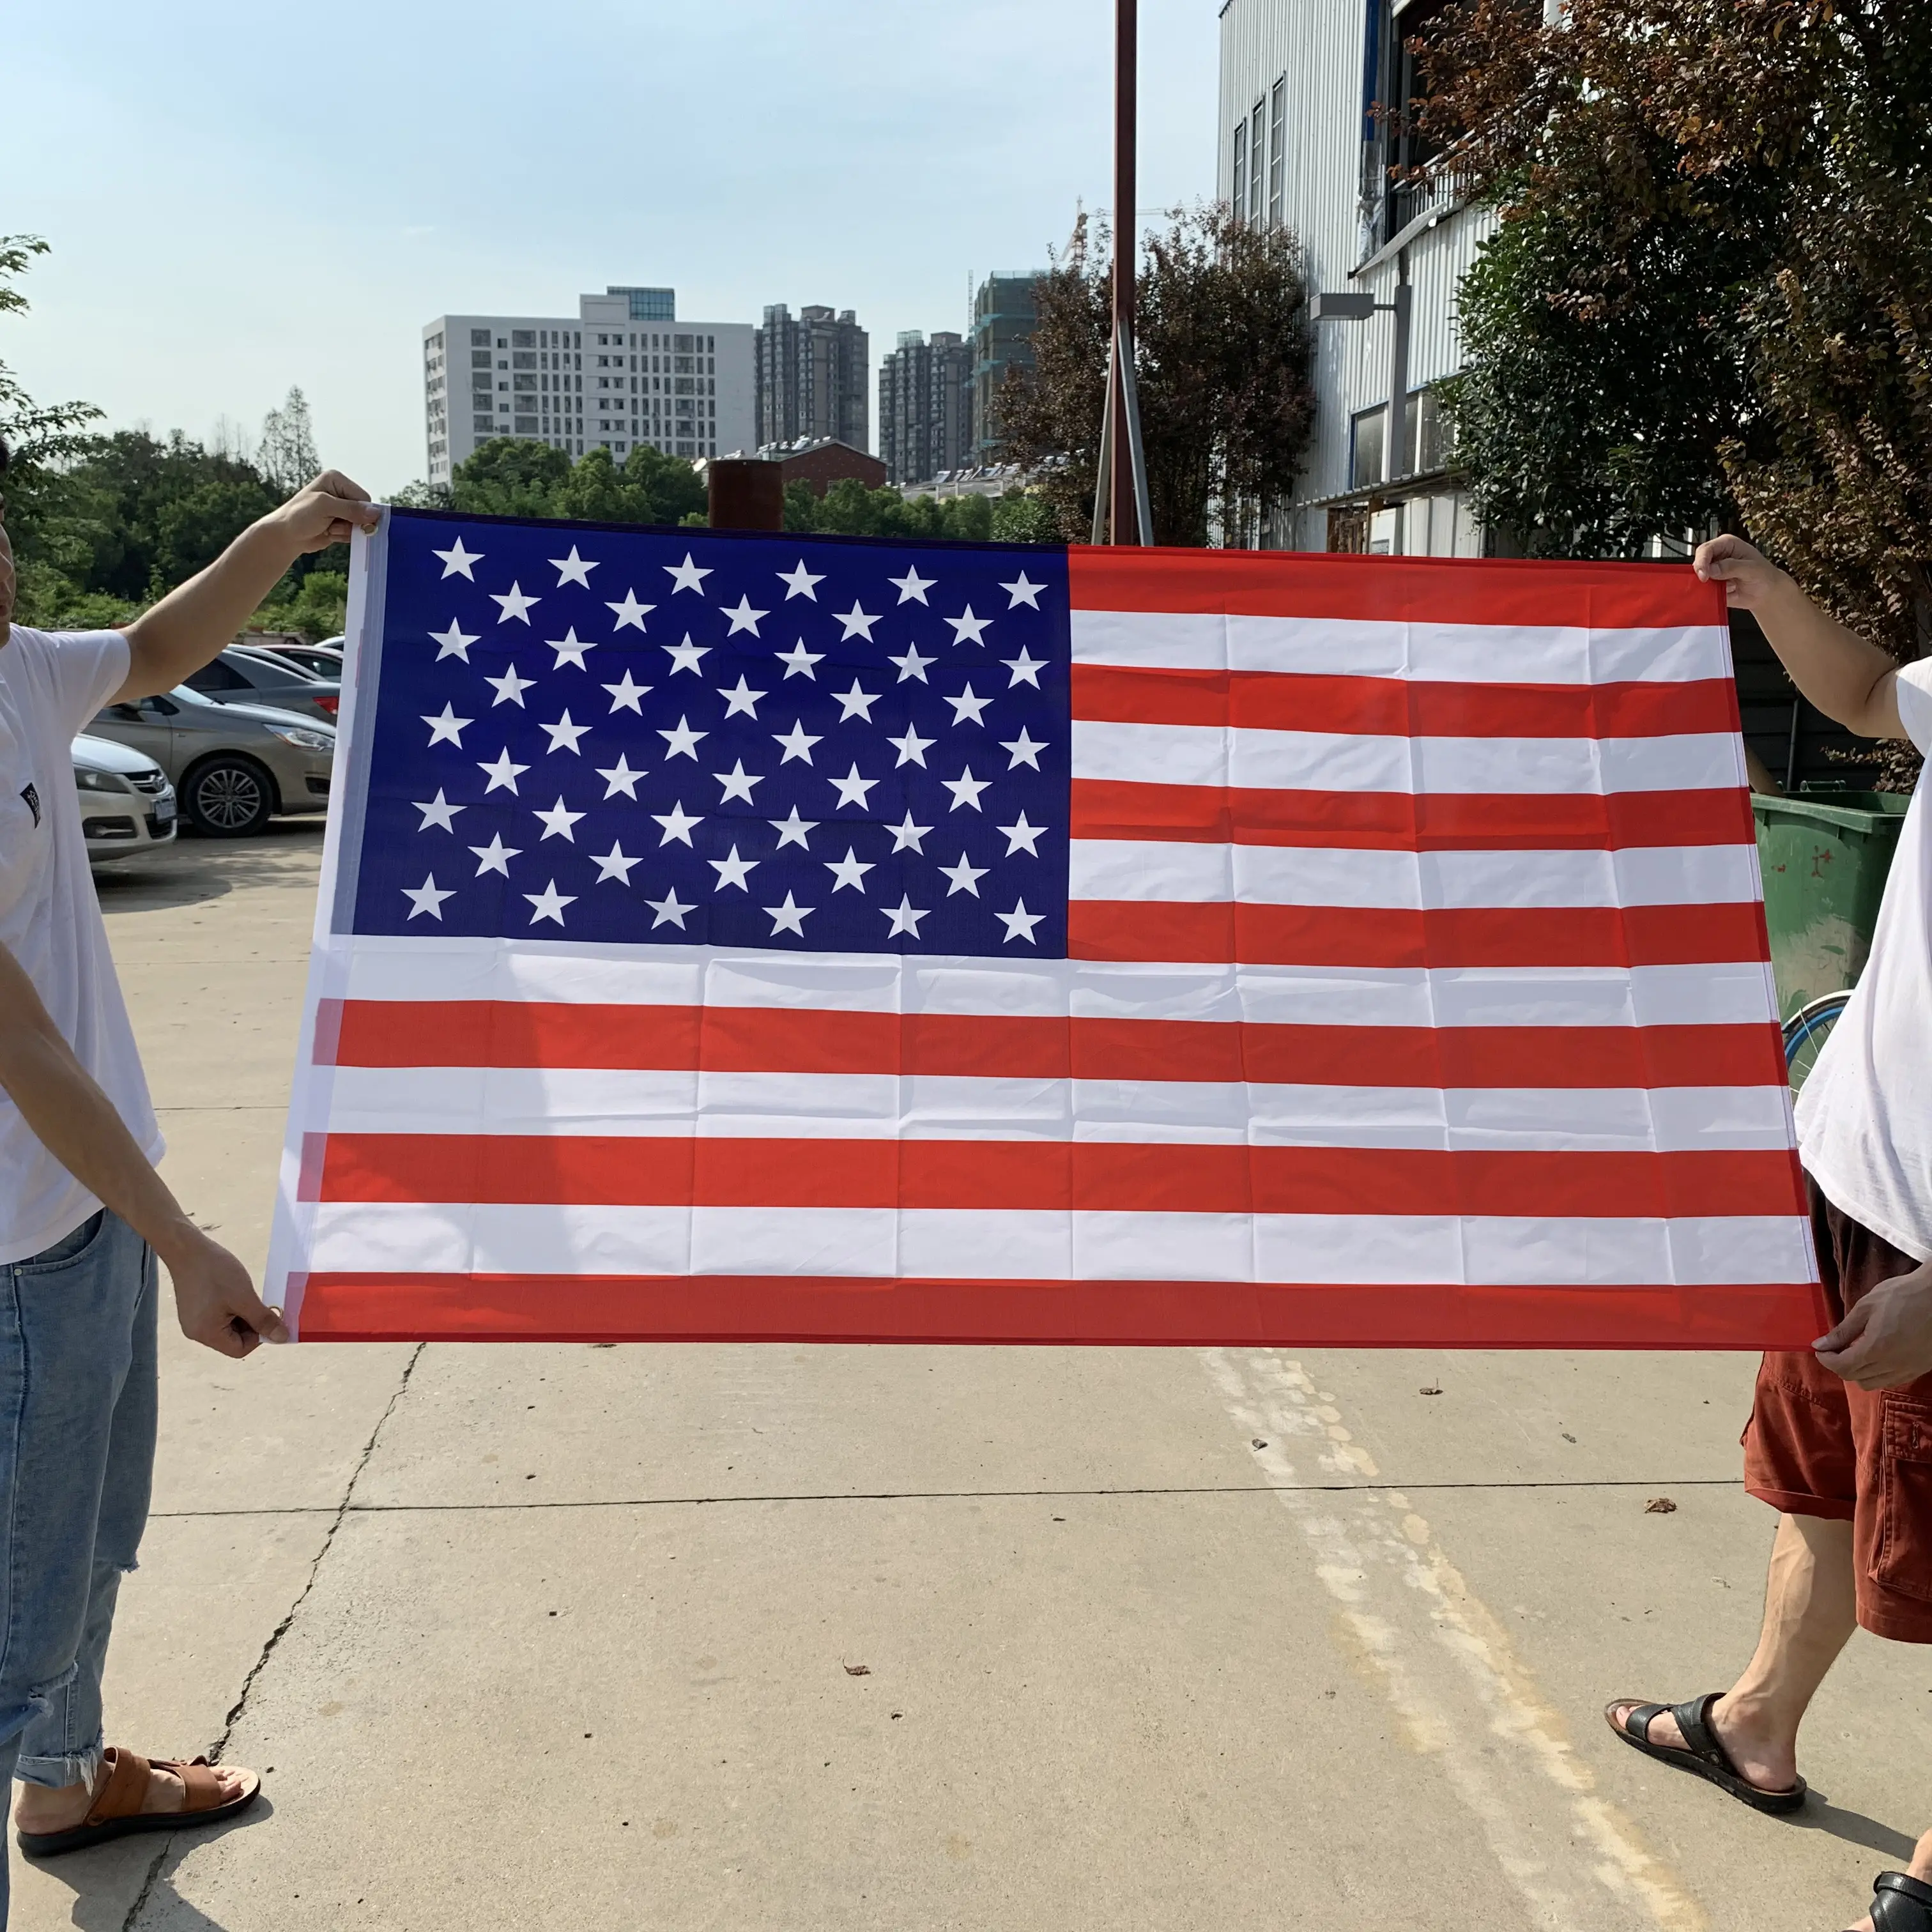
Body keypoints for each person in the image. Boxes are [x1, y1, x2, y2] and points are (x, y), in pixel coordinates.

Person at [0, 436, 377, 1922]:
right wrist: (186, 1244)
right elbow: (16, 1039)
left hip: (74, 1204)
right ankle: (53, 1758)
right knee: (37, 1552)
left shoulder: (23, 672)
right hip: (25, 1234)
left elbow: (158, 647)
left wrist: (280, 535)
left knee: (88, 1522)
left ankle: (65, 1772)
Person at [1605, 535, 1932, 1932]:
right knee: (1813, 1491)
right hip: (1845, 1187)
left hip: (1930, 1259)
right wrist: (1772, 596)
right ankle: (1755, 1727)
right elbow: (1866, 696)